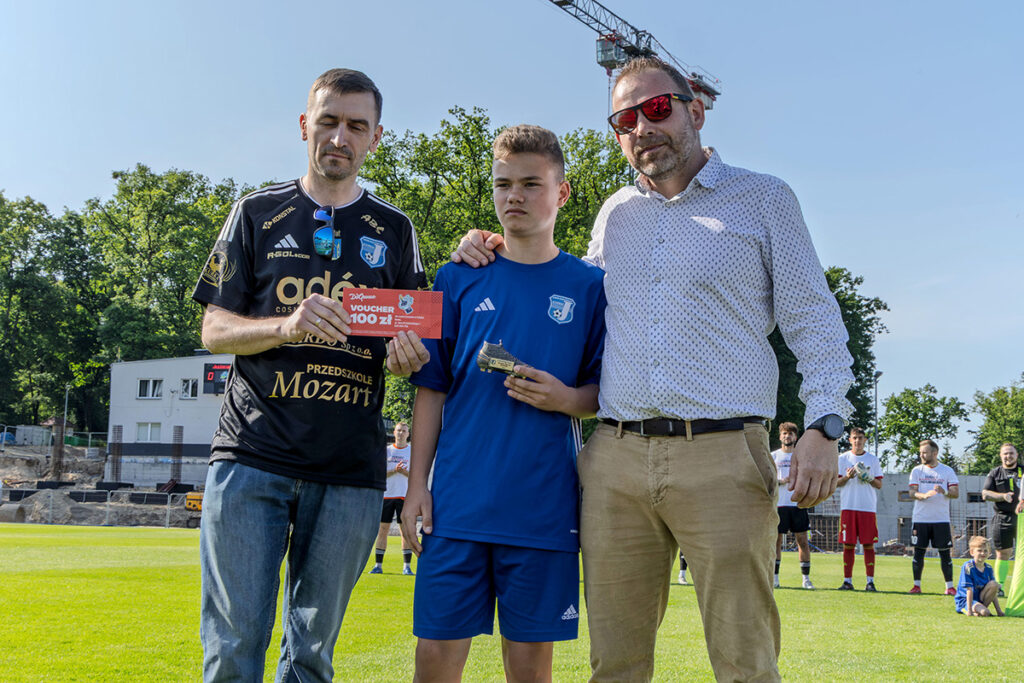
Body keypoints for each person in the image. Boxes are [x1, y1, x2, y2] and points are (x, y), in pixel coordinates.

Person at [454, 56, 854, 682]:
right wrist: (498, 247)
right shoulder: (615, 213)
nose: (642, 127)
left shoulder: (765, 199)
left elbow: (816, 321)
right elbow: (572, 298)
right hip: (614, 459)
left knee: (745, 662)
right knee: (614, 665)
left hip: (723, 455)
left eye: (657, 109)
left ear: (696, 110)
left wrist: (825, 425)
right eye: (625, 119)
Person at [192, 68, 430, 682]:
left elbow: (415, 335)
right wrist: (287, 325)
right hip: (252, 456)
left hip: (348, 470)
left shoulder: (395, 230)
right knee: (232, 650)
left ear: (376, 137)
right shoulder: (256, 212)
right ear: (305, 126)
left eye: (356, 125)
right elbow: (213, 329)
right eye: (328, 121)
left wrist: (409, 356)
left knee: (311, 659)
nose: (340, 137)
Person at [401, 125, 607, 682]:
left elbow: (603, 395)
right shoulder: (456, 278)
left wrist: (566, 398)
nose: (514, 196)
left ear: (562, 192)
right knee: (433, 663)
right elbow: (432, 388)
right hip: (456, 508)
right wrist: (417, 485)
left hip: (544, 510)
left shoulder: (590, 286)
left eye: (530, 183)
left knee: (530, 670)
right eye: (503, 184)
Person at [908, 439, 960, 595]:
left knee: (944, 553)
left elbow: (955, 493)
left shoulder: (947, 471)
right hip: (920, 519)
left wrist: (944, 491)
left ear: (935, 453)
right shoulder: (917, 471)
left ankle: (949, 587)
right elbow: (912, 492)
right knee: (919, 553)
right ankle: (916, 586)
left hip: (941, 520)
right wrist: (922, 495)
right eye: (921, 452)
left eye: (925, 452)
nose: (922, 455)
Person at [836, 426, 883, 591]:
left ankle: (870, 582)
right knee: (848, 545)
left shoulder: (873, 460)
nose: (857, 441)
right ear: (850, 440)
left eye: (861, 438)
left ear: (865, 440)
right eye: (854, 438)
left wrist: (868, 477)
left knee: (868, 544)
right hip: (848, 506)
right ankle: (847, 581)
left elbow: (879, 484)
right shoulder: (842, 458)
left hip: (867, 507)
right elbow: (836, 483)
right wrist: (847, 477)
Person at [773, 422, 815, 590]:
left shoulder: (801, 457)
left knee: (802, 541)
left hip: (798, 504)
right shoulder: (773, 456)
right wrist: (780, 481)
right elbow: (766, 479)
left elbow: (810, 477)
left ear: (795, 437)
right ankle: (775, 579)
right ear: (780, 436)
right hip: (779, 505)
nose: (787, 436)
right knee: (776, 542)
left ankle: (806, 579)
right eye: (784, 433)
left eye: (790, 434)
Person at [369, 422, 414, 575]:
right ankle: (378, 566)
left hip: (404, 496)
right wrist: (395, 470)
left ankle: (406, 567)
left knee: (405, 531)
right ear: (394, 432)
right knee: (383, 530)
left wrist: (404, 472)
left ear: (408, 434)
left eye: (404, 431)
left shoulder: (412, 452)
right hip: (387, 495)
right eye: (399, 430)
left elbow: (416, 476)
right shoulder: (386, 451)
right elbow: (379, 473)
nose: (401, 433)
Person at [981, 443, 1022, 590]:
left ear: (1016, 455)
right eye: (1005, 453)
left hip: (1022, 518)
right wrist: (1002, 496)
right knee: (1002, 553)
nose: (1008, 456)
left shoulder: (1023, 471)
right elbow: (985, 494)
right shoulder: (995, 473)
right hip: (1002, 517)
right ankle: (1000, 587)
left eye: (1011, 453)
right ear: (1000, 455)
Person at [954, 536, 1004, 616]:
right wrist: (969, 611)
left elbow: (993, 592)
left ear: (989, 552)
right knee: (985, 612)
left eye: (985, 551)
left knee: (994, 584)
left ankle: (981, 609)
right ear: (972, 552)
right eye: (979, 550)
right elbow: (969, 590)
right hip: (966, 600)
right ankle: (970, 610)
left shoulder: (988, 568)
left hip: (979, 599)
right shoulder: (968, 567)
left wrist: (999, 611)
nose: (983, 553)